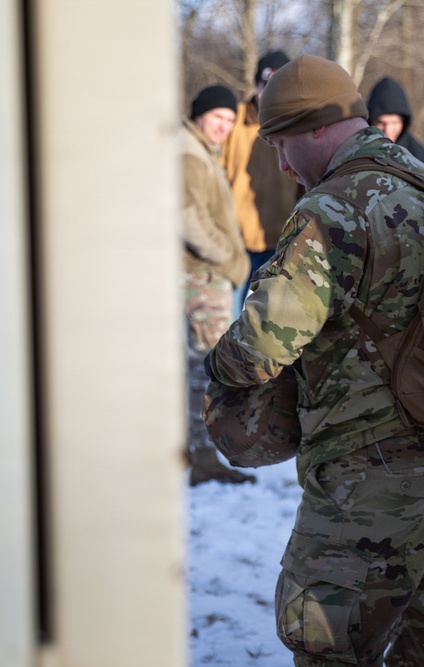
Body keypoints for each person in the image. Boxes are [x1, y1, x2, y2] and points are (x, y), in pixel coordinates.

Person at [205, 54, 424, 666]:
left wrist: (214, 363)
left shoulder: (333, 210)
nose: (280, 163)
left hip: (368, 483)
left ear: (315, 128)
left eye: (281, 143)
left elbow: (259, 346)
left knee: (326, 647)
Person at [180, 85, 254, 486]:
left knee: (203, 367)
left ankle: (202, 452)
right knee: (205, 368)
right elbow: (187, 216)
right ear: (199, 116)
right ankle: (204, 457)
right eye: (217, 118)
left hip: (207, 275)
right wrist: (228, 257)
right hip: (201, 276)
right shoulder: (189, 154)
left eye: (230, 120)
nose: (224, 127)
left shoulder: (201, 152)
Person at [223, 50, 302, 314]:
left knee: (267, 321)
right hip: (236, 243)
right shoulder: (233, 122)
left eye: (277, 87)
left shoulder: (295, 125)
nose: (269, 93)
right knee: (229, 320)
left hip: (278, 243)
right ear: (256, 86)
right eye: (265, 86)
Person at [366, 76, 424, 172]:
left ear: (403, 122)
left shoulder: (418, 157)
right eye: (381, 123)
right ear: (370, 121)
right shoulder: (358, 151)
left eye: (394, 123)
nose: (387, 130)